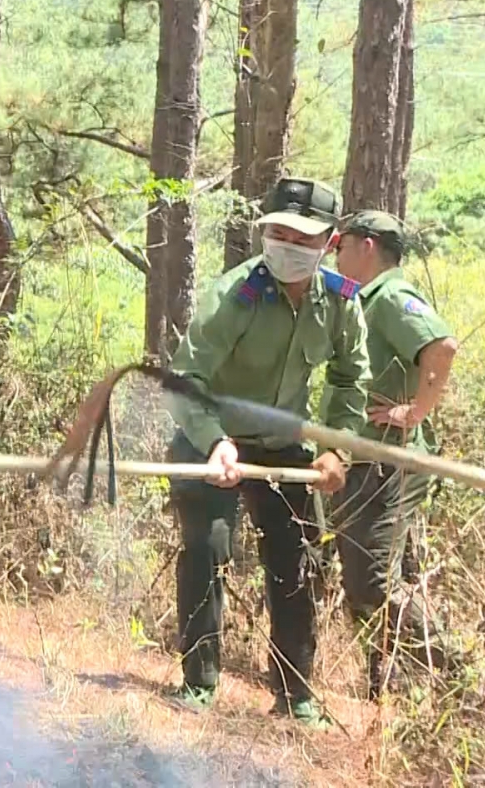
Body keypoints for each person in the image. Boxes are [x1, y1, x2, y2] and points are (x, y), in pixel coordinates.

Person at [164, 176, 371, 729]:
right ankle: (198, 682)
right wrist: (215, 443)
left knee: (297, 559)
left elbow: (351, 383)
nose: (287, 245)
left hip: (283, 449)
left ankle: (295, 692)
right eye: (277, 233)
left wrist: (336, 453)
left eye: (302, 238)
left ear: (328, 243)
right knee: (208, 547)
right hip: (212, 440)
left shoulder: (342, 303)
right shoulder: (235, 296)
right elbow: (186, 381)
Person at [329, 210, 460, 699]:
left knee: (374, 585)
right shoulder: (362, 297)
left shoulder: (392, 298)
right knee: (366, 581)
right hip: (362, 459)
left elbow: (442, 347)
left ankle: (457, 673)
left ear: (366, 246)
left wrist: (415, 412)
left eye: (341, 244)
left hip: (388, 463)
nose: (337, 253)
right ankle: (388, 694)